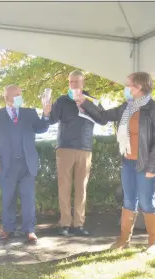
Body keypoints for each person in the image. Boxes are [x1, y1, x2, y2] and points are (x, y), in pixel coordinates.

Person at [76, 72, 155, 254]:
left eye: (128, 84)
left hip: (147, 163)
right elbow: (103, 117)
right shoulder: (128, 107)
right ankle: (124, 240)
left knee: (147, 203)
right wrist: (84, 102)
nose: (125, 88)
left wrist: (153, 167)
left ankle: (154, 242)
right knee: (129, 200)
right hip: (128, 162)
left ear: (139, 87)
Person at [45, 70, 105, 237]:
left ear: (82, 83)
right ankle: (64, 223)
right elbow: (50, 120)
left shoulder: (92, 100)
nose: (73, 85)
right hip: (64, 148)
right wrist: (47, 110)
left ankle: (78, 224)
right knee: (64, 187)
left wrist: (85, 103)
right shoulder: (62, 100)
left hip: (85, 149)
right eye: (71, 82)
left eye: (76, 82)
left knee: (81, 188)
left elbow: (103, 119)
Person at [0, 84, 51, 244]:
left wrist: (45, 114)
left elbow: (41, 128)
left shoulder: (29, 113)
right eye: (16, 94)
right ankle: (7, 228)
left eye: (20, 94)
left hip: (27, 163)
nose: (19, 97)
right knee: (8, 199)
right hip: (6, 164)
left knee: (28, 198)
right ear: (6, 97)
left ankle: (30, 230)